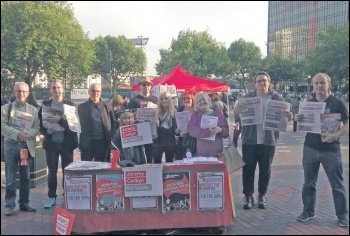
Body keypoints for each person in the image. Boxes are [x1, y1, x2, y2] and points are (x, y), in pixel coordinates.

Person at [294, 73, 349, 227]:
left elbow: (346, 124)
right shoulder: (308, 103)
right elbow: (301, 122)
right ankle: (308, 211)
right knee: (308, 183)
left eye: (322, 83)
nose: (319, 86)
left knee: (337, 184)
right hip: (310, 148)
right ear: (313, 85)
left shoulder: (338, 103)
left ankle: (342, 215)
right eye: (316, 83)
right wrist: (297, 118)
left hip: (331, 149)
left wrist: (336, 135)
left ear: (328, 84)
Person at [234, 71, 292, 210]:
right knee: (248, 169)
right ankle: (248, 196)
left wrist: (289, 116)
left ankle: (262, 195)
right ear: (255, 84)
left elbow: (285, 118)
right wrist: (236, 110)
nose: (262, 83)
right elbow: (238, 117)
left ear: (269, 82)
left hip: (269, 140)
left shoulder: (276, 97)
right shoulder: (248, 97)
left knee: (265, 170)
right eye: (259, 81)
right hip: (250, 140)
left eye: (264, 80)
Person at [1, 82, 40, 216]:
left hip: (26, 146)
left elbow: (36, 127)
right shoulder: (6, 108)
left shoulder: (33, 110)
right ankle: (9, 205)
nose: (21, 93)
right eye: (18, 91)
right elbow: (2, 126)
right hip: (11, 145)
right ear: (14, 93)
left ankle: (24, 203)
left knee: (25, 177)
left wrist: (28, 134)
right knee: (11, 178)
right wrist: (17, 133)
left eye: (24, 91)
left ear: (28, 93)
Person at [38, 80, 78, 209]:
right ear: (50, 90)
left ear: (63, 89)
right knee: (52, 171)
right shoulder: (45, 105)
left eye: (58, 87)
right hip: (51, 143)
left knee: (68, 172)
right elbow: (40, 124)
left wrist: (63, 120)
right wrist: (43, 133)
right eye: (53, 87)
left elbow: (74, 125)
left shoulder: (70, 105)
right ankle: (51, 197)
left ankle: (67, 195)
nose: (56, 90)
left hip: (66, 143)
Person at [78, 83, 116, 162]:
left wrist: (111, 138)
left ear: (100, 92)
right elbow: (75, 124)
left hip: (103, 143)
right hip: (87, 144)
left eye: (98, 91)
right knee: (86, 168)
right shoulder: (81, 107)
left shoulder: (107, 106)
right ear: (88, 92)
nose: (95, 93)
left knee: (101, 169)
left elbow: (113, 123)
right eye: (93, 91)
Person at [188, 92, 229, 157]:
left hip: (217, 153)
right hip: (201, 153)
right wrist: (207, 131)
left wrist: (220, 130)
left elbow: (226, 132)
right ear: (197, 104)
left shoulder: (219, 114)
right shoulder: (195, 115)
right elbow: (191, 130)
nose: (202, 102)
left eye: (204, 100)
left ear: (209, 101)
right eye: (199, 101)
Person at [127, 76, 158, 163]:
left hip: (152, 131)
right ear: (140, 86)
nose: (146, 87)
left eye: (148, 85)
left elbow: (160, 113)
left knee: (150, 154)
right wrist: (135, 114)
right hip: (138, 131)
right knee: (138, 155)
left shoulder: (155, 99)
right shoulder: (134, 100)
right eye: (144, 85)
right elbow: (127, 115)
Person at [153, 91, 177, 163]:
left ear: (170, 100)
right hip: (158, 142)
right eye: (162, 99)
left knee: (169, 164)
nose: (164, 100)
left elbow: (173, 131)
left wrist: (159, 127)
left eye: (166, 98)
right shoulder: (156, 113)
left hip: (170, 142)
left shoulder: (174, 112)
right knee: (157, 164)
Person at [174, 91, 195, 160]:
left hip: (194, 140)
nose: (186, 100)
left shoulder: (196, 111)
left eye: (188, 98)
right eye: (184, 98)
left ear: (192, 100)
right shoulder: (179, 111)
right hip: (182, 141)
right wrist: (176, 131)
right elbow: (175, 127)